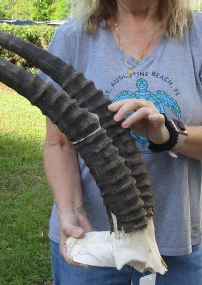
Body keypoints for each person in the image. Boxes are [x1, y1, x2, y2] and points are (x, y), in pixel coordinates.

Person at [41, 0, 202, 284]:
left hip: (179, 244)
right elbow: (60, 144)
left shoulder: (197, 35)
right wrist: (70, 210)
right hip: (92, 239)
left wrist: (169, 135)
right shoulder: (73, 38)